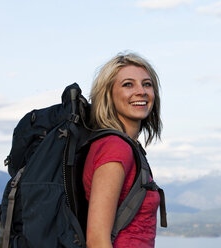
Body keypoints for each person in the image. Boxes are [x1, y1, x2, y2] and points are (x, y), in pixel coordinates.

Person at [82, 52, 162, 248]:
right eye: (128, 84)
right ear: (108, 94)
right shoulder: (115, 148)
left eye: (147, 84)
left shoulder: (126, 147)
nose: (141, 91)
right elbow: (97, 240)